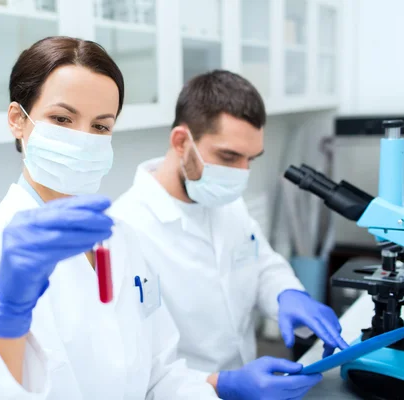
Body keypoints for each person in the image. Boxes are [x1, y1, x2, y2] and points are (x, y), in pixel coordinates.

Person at [0, 36, 237, 400]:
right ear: (17, 121)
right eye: (61, 119)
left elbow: (159, 373)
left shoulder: (122, 238)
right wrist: (7, 316)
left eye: (100, 126)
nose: (83, 139)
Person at [110, 70, 346, 399]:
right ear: (181, 142)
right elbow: (137, 373)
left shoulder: (225, 201)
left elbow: (261, 263)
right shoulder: (123, 230)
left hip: (248, 379)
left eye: (250, 159)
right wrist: (226, 386)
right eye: (229, 157)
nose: (241, 174)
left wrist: (287, 294)